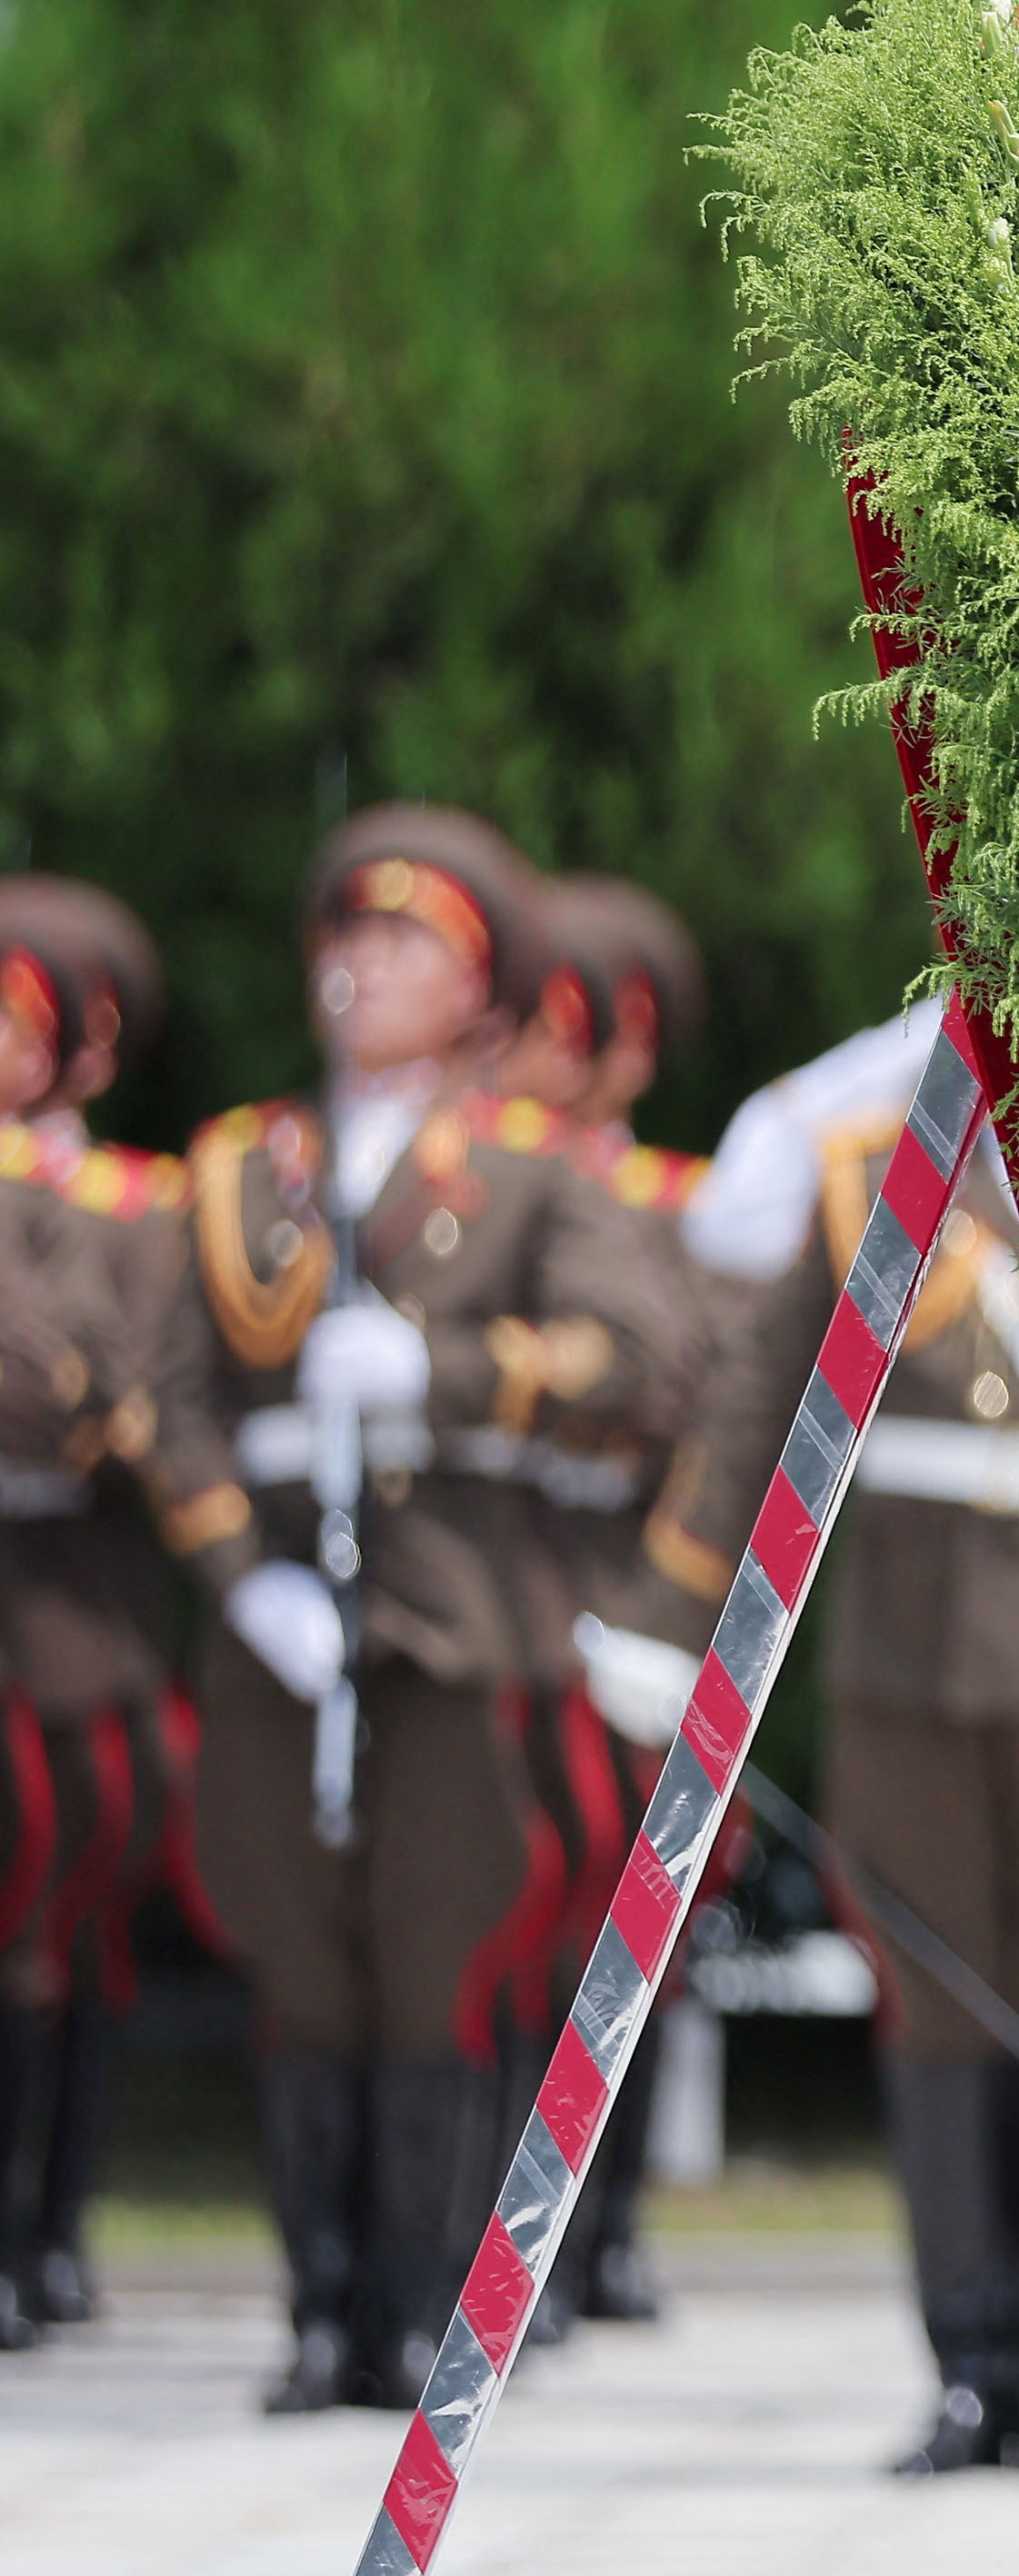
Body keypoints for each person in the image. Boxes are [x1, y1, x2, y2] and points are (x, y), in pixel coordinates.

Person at [135, 806, 699, 2412]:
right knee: (299, 1960)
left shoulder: (524, 1171)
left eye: (410, 947)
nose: (363, 969)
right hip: (281, 1629)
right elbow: (169, 1391)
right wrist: (241, 1583)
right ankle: (319, 2308)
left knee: (437, 1958)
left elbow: (643, 1356)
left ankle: (424, 2310)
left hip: (456, 1616)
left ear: (479, 994)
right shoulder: (248, 1164)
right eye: (350, 941)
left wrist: (448, 1371)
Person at [655, 1006, 1019, 2477]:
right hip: (909, 1656)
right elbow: (759, 1381)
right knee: (937, 2014)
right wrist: (670, 1609)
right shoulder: (871, 1173)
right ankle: (966, 2359)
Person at [489, 872, 711, 2337]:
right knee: (511, 1899)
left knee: (639, 1920)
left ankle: (607, 2219)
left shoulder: (682, 1202)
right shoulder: (472, 1182)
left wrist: (666, 1602)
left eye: (562, 1030)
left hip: (631, 1571)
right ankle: (515, 2233)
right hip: (503, 1564)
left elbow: (717, 1414)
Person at [0, 910, 137, 2353]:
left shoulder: (116, 1194)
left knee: (52, 1907)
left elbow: (96, 1387)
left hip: (50, 1570)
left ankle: (41, 2228)